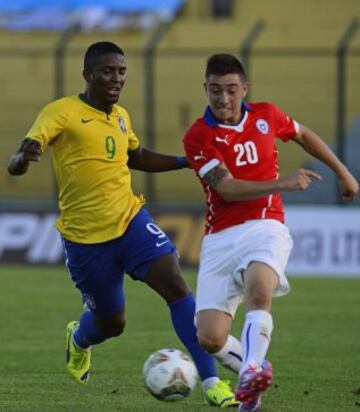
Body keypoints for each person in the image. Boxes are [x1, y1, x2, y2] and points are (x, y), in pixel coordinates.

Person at [7, 42, 241, 408]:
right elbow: (20, 156)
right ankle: (79, 338)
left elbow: (137, 157)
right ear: (87, 75)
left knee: (177, 288)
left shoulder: (120, 116)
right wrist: (23, 158)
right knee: (112, 322)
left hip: (131, 220)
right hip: (85, 239)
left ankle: (212, 382)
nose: (116, 78)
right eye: (107, 71)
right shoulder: (62, 112)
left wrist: (186, 161)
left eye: (121, 71)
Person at [183, 53, 359, 411]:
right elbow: (227, 189)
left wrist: (343, 171)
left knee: (260, 291)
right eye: (215, 90)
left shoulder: (266, 115)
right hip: (219, 238)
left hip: (266, 226)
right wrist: (285, 182)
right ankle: (253, 377)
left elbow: (303, 134)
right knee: (210, 338)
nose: (223, 99)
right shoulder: (199, 136)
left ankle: (250, 371)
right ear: (205, 89)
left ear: (244, 88)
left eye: (232, 90)